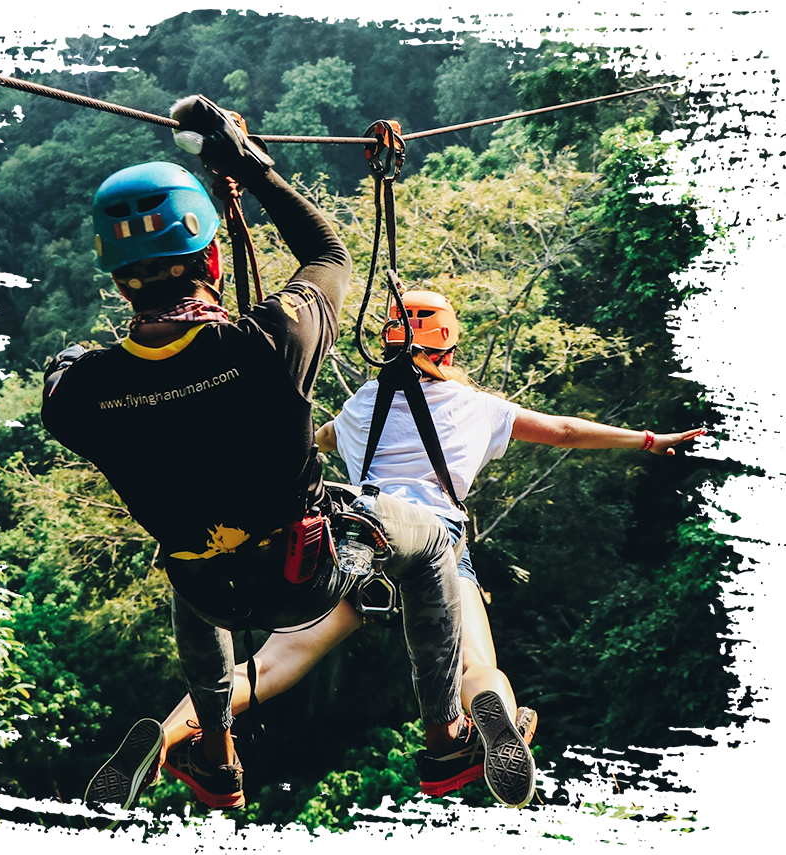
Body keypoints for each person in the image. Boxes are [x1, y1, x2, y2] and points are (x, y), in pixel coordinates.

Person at [41, 96, 471, 831]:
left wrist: (86, 359)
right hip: (310, 574)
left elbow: (68, 363)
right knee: (431, 538)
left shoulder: (79, 399)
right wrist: (251, 167)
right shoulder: (267, 345)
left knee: (188, 539)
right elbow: (328, 256)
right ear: (212, 257)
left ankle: (215, 748)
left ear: (118, 282)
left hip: (216, 594)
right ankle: (444, 739)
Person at [135, 290, 708, 813]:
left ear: (386, 347)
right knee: (475, 665)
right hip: (432, 544)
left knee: (262, 668)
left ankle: (163, 737)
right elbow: (562, 431)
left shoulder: (361, 403)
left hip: (355, 542)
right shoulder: (480, 408)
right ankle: (493, 721)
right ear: (450, 349)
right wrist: (648, 440)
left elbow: (312, 440)